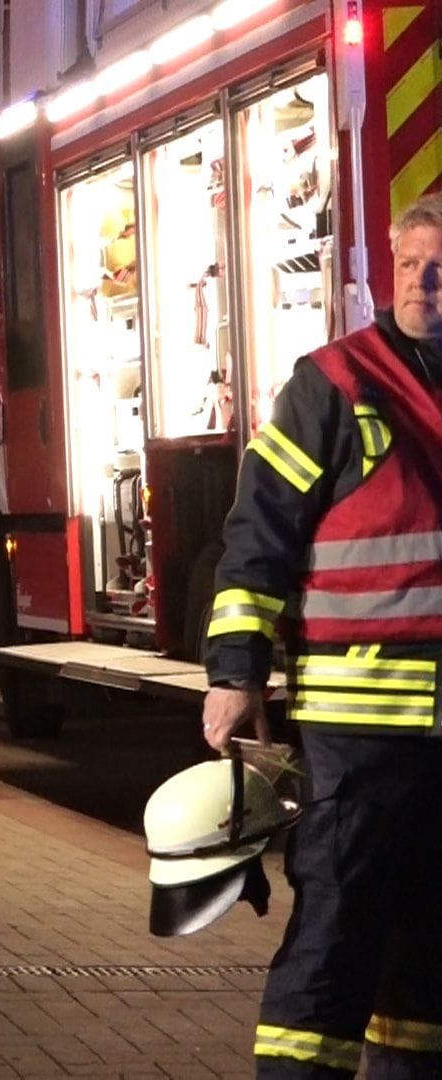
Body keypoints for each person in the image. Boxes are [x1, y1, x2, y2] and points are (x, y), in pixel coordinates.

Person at [203, 192, 442, 1078]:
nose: (423, 281)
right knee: (337, 928)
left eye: (440, 266)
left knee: (428, 940)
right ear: (388, 267)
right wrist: (235, 674)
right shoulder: (333, 384)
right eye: (410, 262)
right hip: (361, 726)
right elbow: (257, 537)